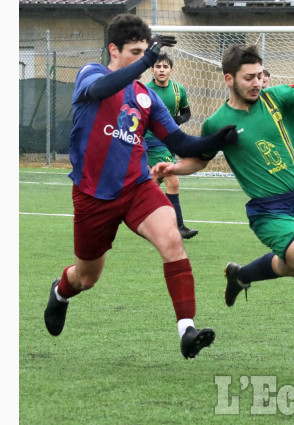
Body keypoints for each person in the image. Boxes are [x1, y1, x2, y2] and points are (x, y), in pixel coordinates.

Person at [152, 44, 294, 359]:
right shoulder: (217, 122)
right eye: (249, 77)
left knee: (289, 268)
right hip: (268, 211)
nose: (257, 82)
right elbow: (200, 160)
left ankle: (241, 275)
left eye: (260, 75)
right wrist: (174, 168)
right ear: (228, 79)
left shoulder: (279, 97)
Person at [43, 14, 238, 360]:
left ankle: (187, 330)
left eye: (145, 52)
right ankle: (59, 294)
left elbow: (179, 139)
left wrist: (216, 140)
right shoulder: (92, 74)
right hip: (92, 196)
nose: (143, 60)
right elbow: (104, 90)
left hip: (137, 188)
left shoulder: (147, 97)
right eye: (135, 52)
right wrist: (147, 59)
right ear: (113, 50)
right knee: (86, 278)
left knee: (172, 240)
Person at [146, 54, 198, 239]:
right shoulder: (145, 90)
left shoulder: (178, 90)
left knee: (152, 182)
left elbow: (187, 113)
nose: (161, 69)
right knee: (173, 180)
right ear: (152, 70)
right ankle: (179, 227)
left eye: (165, 66)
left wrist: (177, 120)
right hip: (151, 139)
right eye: (158, 66)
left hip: (169, 140)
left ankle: (144, 220)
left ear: (171, 70)